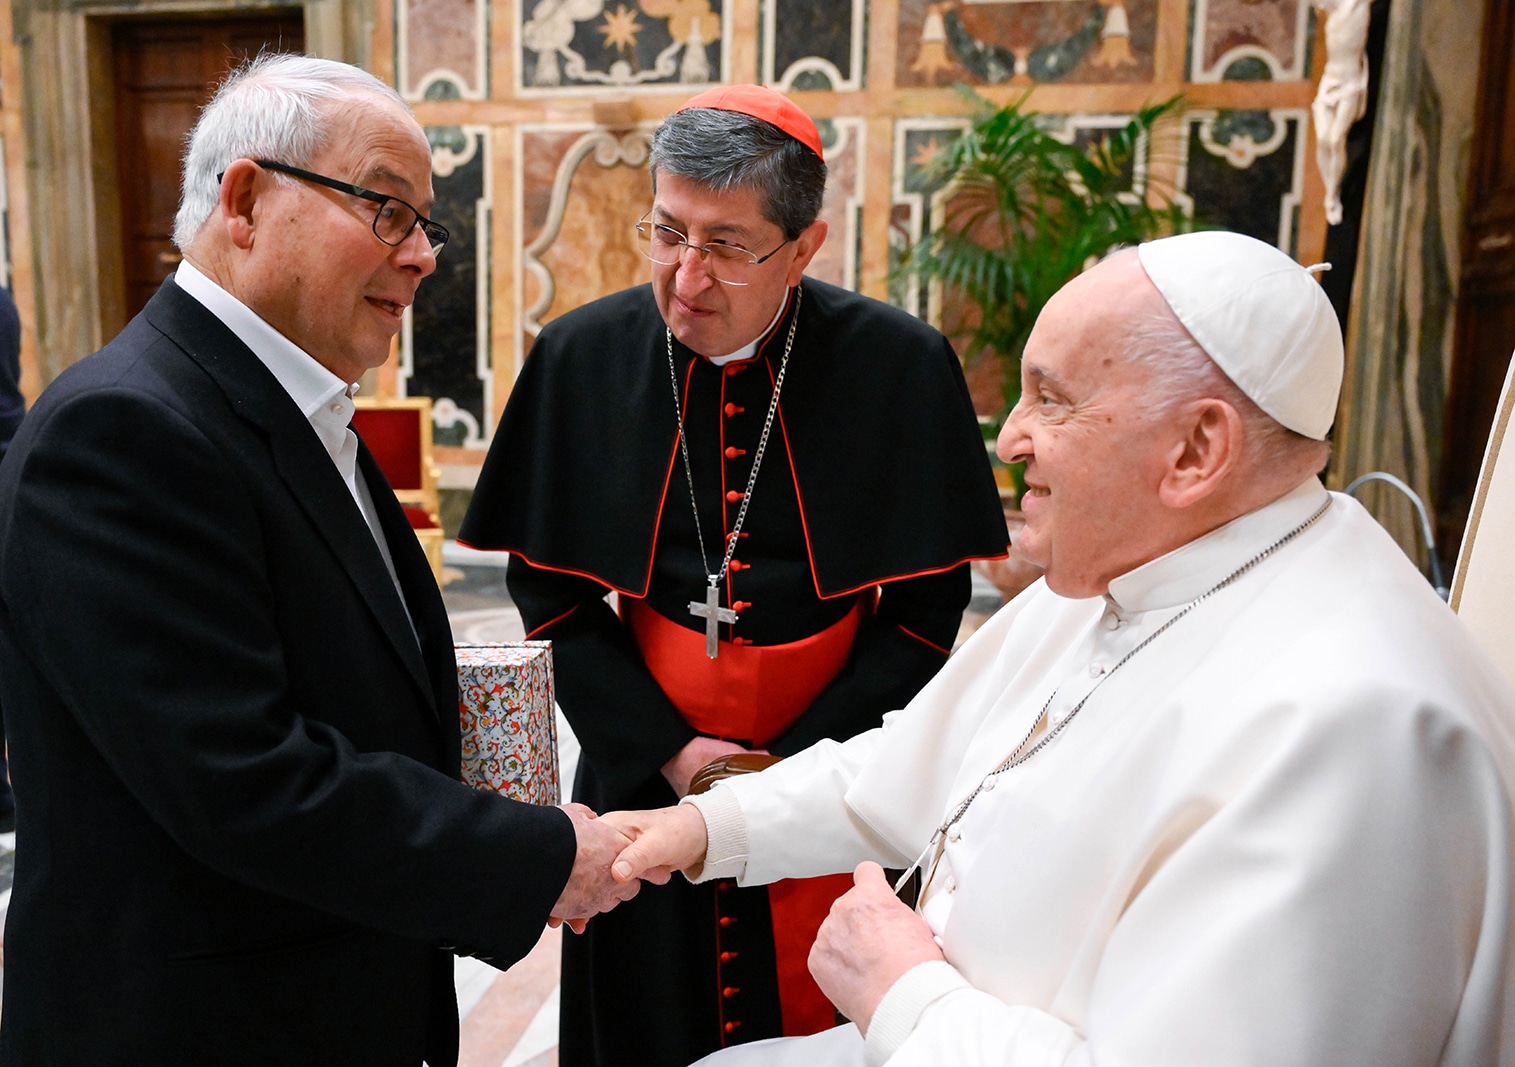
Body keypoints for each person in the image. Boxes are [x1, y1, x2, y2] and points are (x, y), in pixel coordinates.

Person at [609, 230, 1515, 1066]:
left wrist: (903, 994)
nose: (1008, 438)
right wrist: (699, 827)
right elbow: (929, 760)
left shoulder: (1352, 728)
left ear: (1196, 449)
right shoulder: (1130, 564)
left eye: (1051, 398)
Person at [0, 54, 636, 1065]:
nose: (423, 253)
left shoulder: (293, 409)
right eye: (386, 208)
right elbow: (243, 779)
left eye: (426, 221)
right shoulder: (123, 429)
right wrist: (538, 853)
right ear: (246, 200)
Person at [459, 85, 1008, 1066]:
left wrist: (795, 770)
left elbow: (927, 613)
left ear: (803, 246)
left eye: (728, 243)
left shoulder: (899, 365)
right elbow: (555, 595)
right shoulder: (583, 357)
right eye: (667, 231)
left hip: (839, 760)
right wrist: (674, 752)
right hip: (643, 758)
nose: (686, 275)